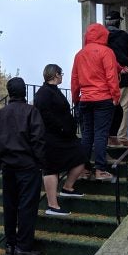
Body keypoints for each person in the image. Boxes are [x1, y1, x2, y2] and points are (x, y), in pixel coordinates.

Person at [0, 77, 47, 255]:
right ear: (24, 91)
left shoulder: (0, 114)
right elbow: (38, 140)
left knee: (10, 206)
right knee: (27, 206)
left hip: (8, 166)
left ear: (9, 92)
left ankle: (10, 244)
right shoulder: (31, 112)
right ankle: (23, 246)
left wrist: (2, 160)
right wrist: (40, 163)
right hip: (27, 166)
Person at [33, 64, 88, 215]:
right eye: (61, 73)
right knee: (51, 168)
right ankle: (52, 205)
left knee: (81, 156)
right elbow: (45, 115)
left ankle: (67, 187)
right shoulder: (44, 93)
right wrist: (62, 128)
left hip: (64, 137)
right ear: (56, 74)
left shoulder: (53, 91)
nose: (62, 76)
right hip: (52, 138)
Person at [71, 24, 120, 181]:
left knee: (87, 135)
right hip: (103, 98)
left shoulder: (79, 54)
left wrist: (75, 98)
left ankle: (84, 169)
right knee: (101, 134)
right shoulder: (107, 52)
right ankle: (100, 170)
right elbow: (111, 76)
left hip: (85, 99)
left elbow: (74, 79)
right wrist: (116, 96)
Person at [104, 10, 128, 146]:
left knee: (108, 107)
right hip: (124, 76)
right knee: (124, 106)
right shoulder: (124, 36)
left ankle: (108, 136)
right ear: (118, 22)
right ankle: (121, 137)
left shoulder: (102, 37)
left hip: (106, 77)